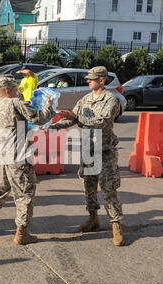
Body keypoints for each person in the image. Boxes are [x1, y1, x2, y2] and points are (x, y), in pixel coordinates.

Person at [49, 66, 124, 247]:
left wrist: (77, 117)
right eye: (88, 78)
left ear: (101, 80)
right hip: (87, 150)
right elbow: (73, 119)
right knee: (89, 188)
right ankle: (93, 218)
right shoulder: (85, 99)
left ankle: (116, 225)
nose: (88, 81)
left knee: (109, 189)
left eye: (91, 79)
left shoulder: (111, 99)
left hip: (104, 151)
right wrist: (50, 126)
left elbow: (102, 121)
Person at [0, 75, 55, 245]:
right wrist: (49, 108)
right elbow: (38, 118)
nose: (17, 92)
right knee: (24, 195)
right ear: (7, 90)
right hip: (18, 158)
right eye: (15, 89)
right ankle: (21, 233)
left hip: (2, 158)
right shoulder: (16, 104)